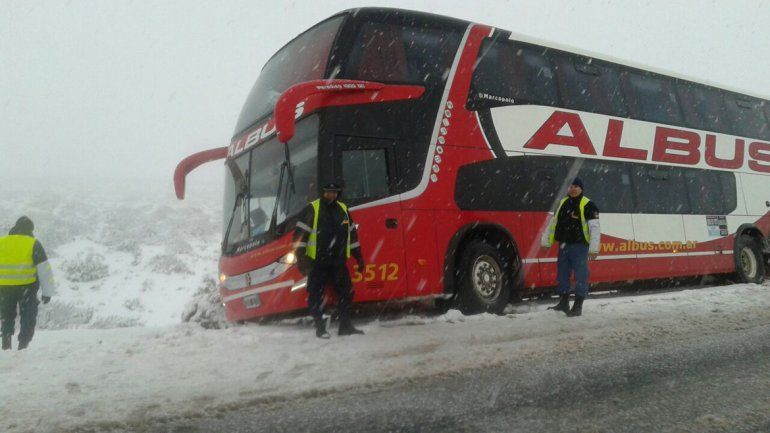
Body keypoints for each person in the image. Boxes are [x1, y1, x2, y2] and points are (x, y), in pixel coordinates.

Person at [293, 182, 365, 338]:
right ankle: (320, 328)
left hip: (338, 262)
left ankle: (345, 326)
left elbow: (352, 237)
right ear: (323, 193)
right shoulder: (312, 208)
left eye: (334, 192)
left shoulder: (343, 210)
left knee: (347, 292)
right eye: (328, 192)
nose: (331, 195)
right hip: (317, 262)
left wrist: (359, 258)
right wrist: (302, 259)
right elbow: (299, 237)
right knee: (315, 295)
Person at [541, 178, 600, 317]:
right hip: (564, 246)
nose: (572, 189)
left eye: (576, 186)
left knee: (581, 276)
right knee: (562, 275)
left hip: (580, 247)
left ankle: (578, 306)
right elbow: (553, 224)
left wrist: (593, 249)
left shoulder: (588, 205)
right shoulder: (563, 203)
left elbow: (595, 229)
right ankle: (564, 303)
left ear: (581, 188)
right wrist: (546, 242)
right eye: (570, 186)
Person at [0, 216, 55, 350]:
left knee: (6, 316)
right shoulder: (33, 243)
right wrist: (47, 292)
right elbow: (44, 270)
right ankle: (23, 345)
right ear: (30, 229)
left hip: (4, 289)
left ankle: (6, 344)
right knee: (28, 317)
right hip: (27, 288)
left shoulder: (2, 242)